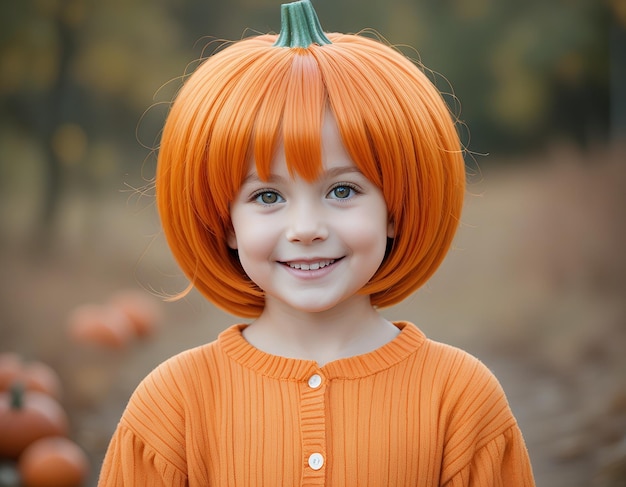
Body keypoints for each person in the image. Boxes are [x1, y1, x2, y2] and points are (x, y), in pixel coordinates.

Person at [98, 0, 535, 485]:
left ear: (395, 210)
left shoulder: (461, 397)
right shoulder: (172, 404)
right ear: (226, 223)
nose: (306, 227)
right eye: (267, 195)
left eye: (342, 190)